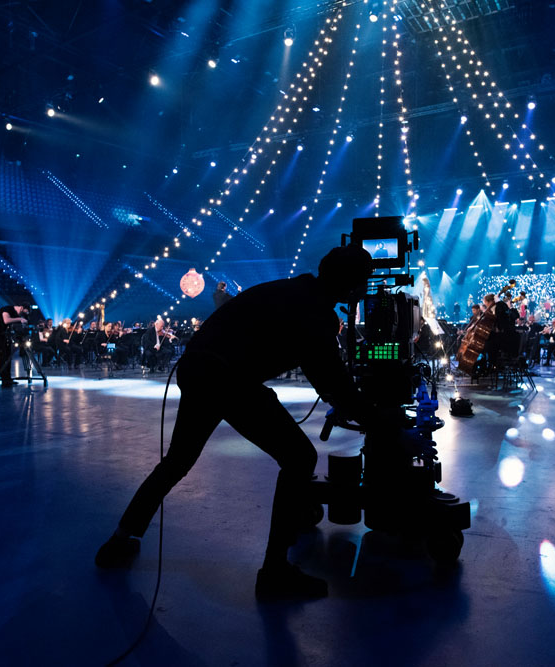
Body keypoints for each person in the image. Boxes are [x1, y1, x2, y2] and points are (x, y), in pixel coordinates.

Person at [95, 245, 374, 600]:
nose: (365, 291)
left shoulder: (291, 290)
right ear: (350, 285)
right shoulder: (313, 310)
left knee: (178, 460)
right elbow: (335, 385)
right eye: (363, 283)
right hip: (227, 376)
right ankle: (274, 573)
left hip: (200, 368)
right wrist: (378, 418)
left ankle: (117, 542)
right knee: (299, 458)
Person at [0, 302, 29, 387]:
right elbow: (6, 320)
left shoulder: (15, 314)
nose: (22, 315)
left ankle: (7, 378)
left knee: (8, 356)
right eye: (24, 312)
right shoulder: (7, 309)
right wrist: (20, 319)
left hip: (3, 335)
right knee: (2, 355)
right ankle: (4, 379)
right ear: (21, 307)